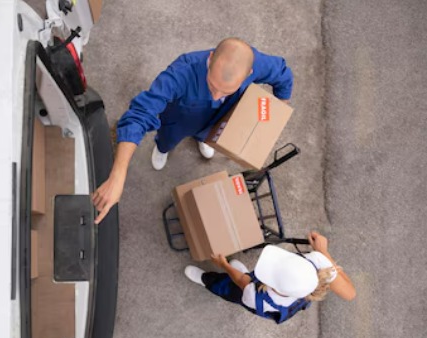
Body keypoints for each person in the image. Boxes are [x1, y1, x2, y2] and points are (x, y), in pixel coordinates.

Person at [92, 37, 294, 224]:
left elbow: (283, 75)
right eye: (212, 85)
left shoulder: (258, 64)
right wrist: (118, 175)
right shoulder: (181, 71)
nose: (216, 96)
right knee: (167, 140)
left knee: (210, 135)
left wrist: (276, 112)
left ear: (250, 73)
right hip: (178, 121)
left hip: (218, 121)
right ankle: (162, 149)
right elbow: (140, 113)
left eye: (226, 91)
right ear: (211, 57)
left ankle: (204, 139)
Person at [184, 231, 356, 324]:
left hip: (248, 289)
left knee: (228, 287)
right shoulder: (317, 264)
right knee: (245, 278)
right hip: (260, 288)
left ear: (273, 285)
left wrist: (223, 265)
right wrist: (323, 252)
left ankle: (206, 280)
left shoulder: (255, 297)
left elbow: (241, 281)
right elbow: (350, 294)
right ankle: (238, 271)